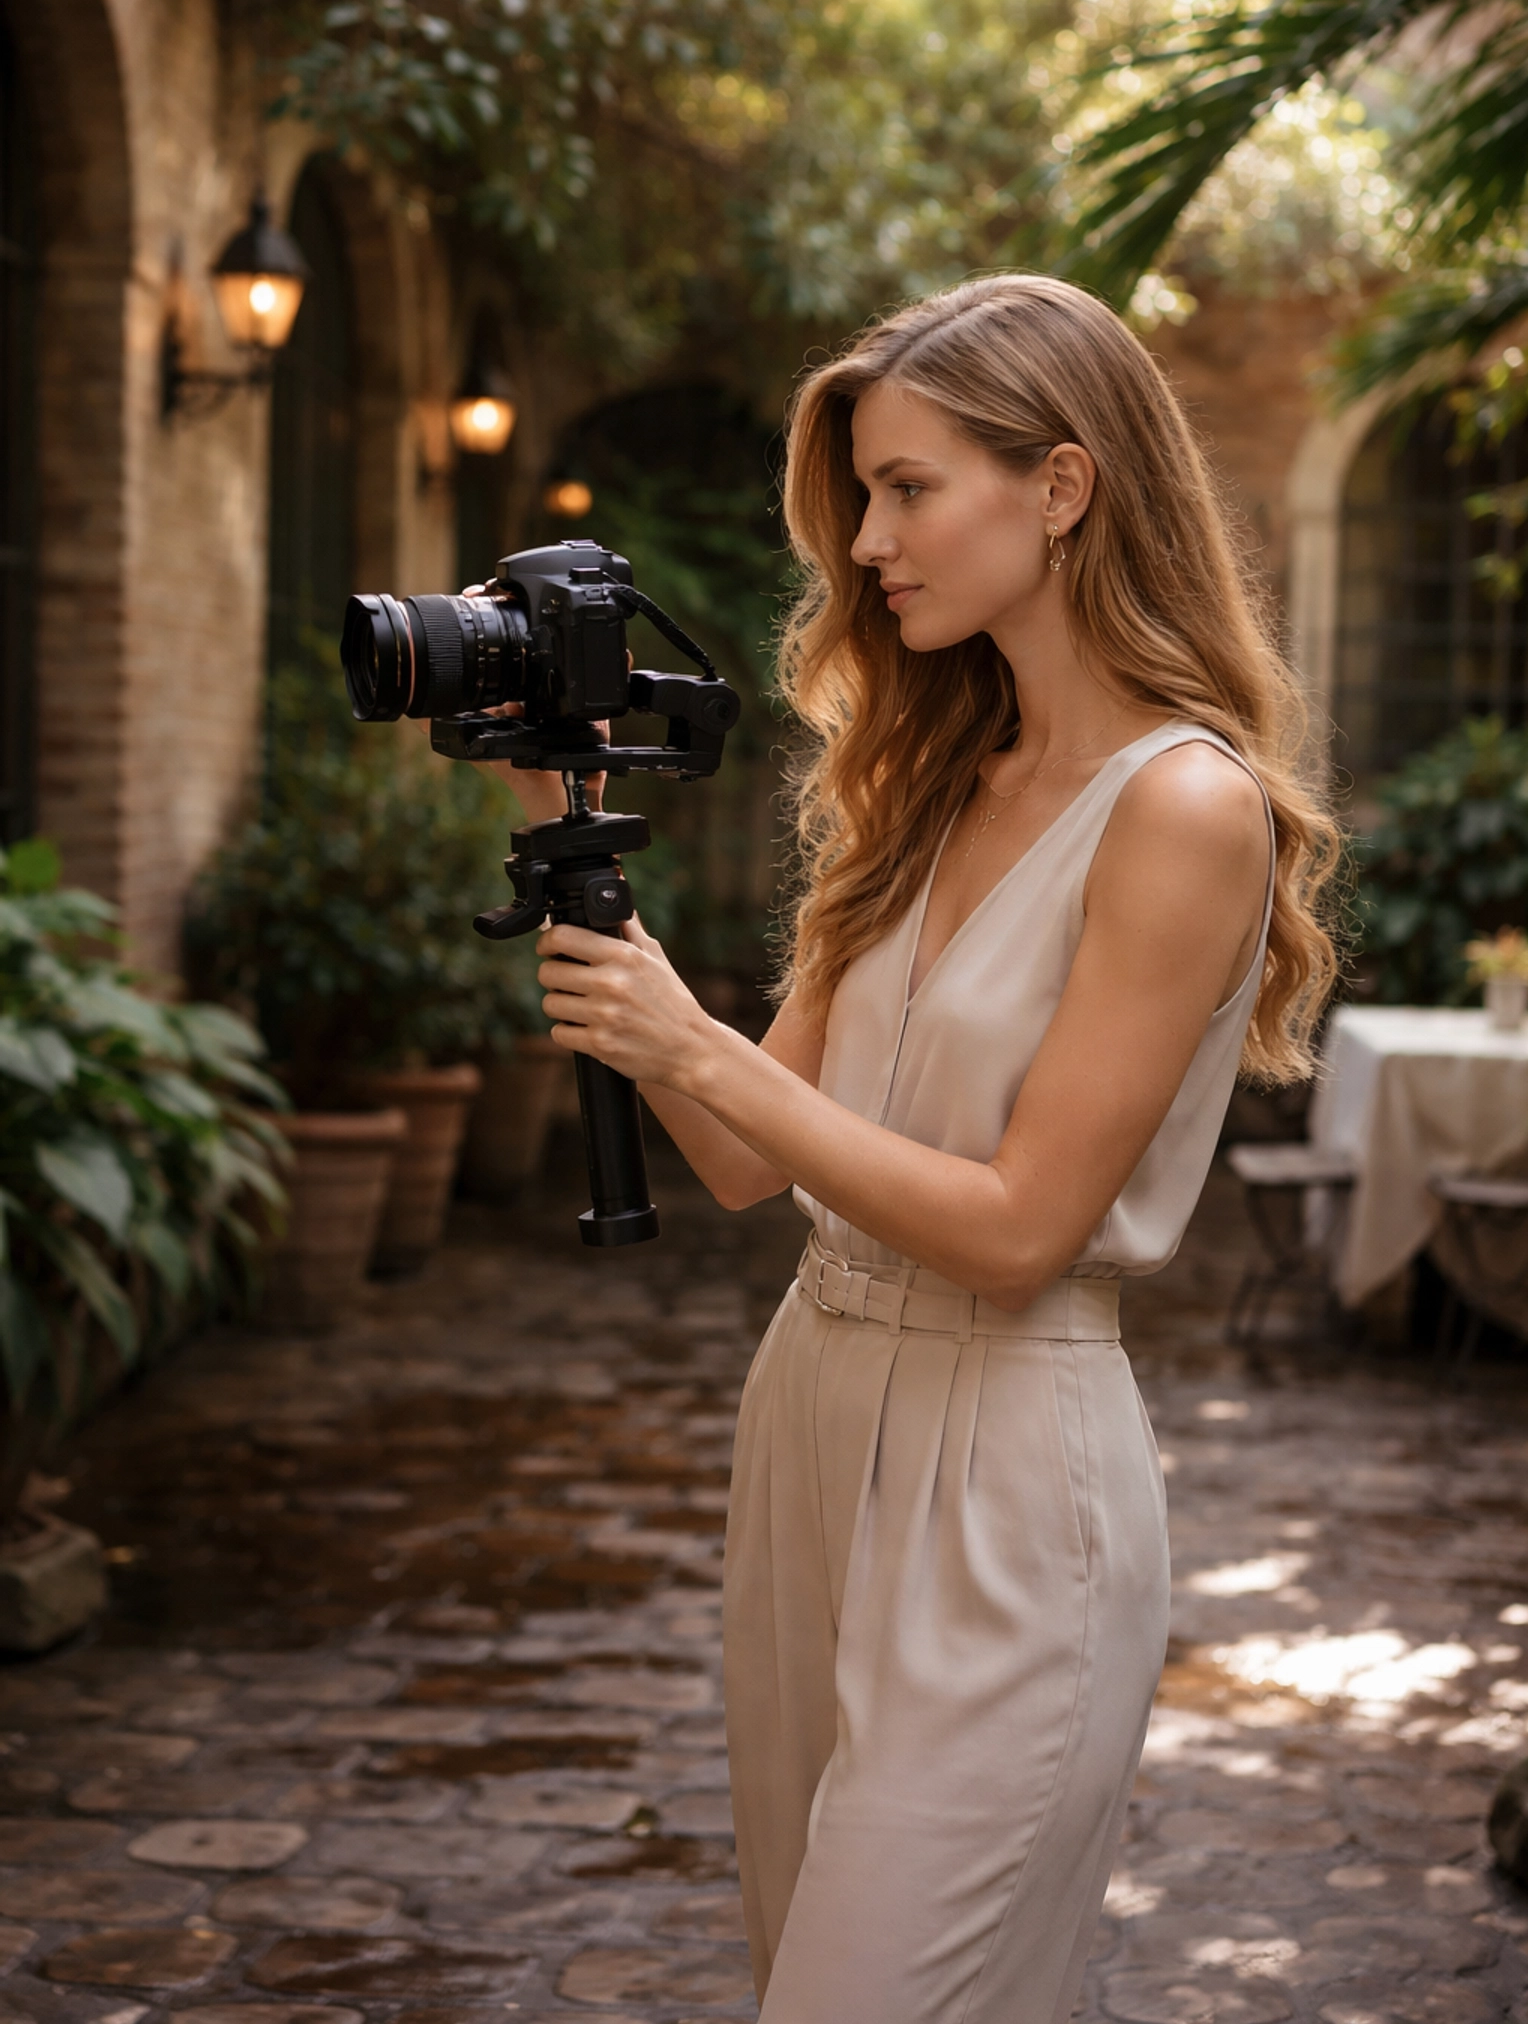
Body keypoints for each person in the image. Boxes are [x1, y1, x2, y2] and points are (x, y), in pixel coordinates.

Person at [495, 274, 1338, 2024]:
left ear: (1063, 486)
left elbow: (1022, 1230)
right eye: (864, 496)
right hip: (810, 1412)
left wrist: (692, 1042)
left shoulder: (1183, 808)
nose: (868, 543)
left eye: (907, 488)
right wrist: (568, 849)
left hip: (1010, 1469)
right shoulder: (924, 780)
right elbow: (746, 1160)